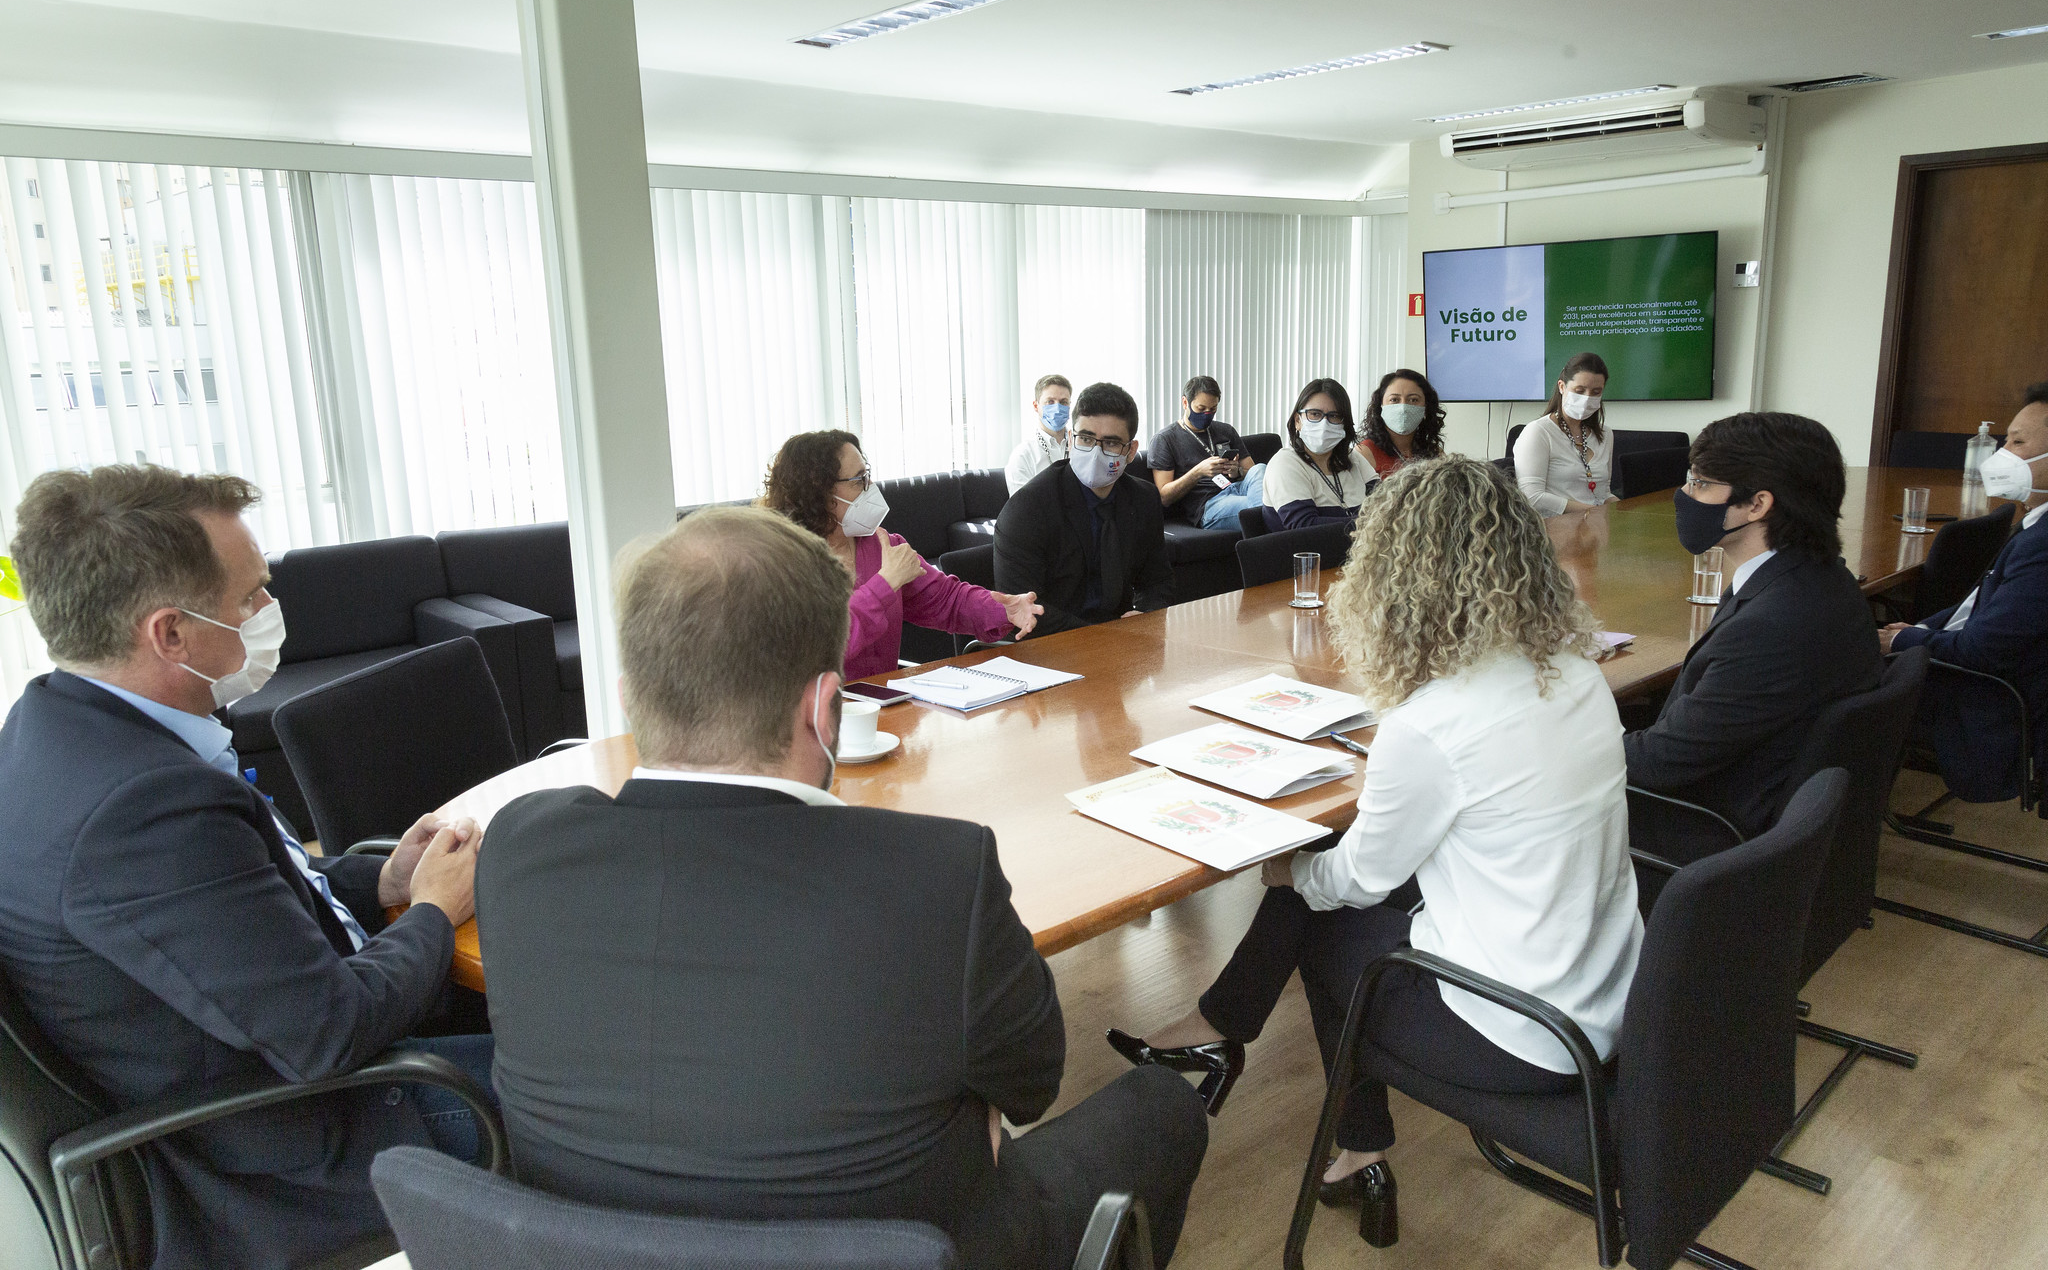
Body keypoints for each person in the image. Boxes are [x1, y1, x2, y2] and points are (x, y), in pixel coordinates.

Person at [475, 506, 1209, 1270]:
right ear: (826, 708)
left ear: (629, 696)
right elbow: (1030, 1082)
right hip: (932, 1246)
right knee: (1164, 1106)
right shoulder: (937, 877)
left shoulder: (518, 847)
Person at [1104, 456, 1641, 1248]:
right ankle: (1232, 1039)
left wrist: (1289, 868)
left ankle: (1350, 1136)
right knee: (1332, 896)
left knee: (1324, 923)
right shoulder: (1572, 670)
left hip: (1524, 1034)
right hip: (1610, 994)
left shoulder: (1431, 724)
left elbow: (1357, 881)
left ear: (1394, 574)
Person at [0, 465, 486, 1270]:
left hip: (252, 1078)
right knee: (604, 1097)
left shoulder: (53, 728)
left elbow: (240, 923)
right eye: (250, 596)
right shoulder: (144, 809)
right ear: (170, 633)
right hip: (292, 1151)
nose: (268, 613)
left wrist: (388, 885)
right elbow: (328, 1031)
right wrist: (433, 912)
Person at [1625, 412, 1883, 862]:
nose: (1684, 496)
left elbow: (1658, 764)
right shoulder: (1823, 578)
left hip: (1706, 831)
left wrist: (1568, 734)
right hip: (1759, 795)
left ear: (1758, 504)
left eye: (1701, 484)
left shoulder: (1770, 626)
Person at [1880, 384, 2048, 802]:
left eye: (2018, 442)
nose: (2002, 453)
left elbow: (1982, 651)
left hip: (1987, 702)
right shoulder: (2032, 523)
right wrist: (1916, 628)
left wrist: (1903, 639)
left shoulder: (2043, 545)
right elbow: (1976, 607)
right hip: (1978, 667)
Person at [763, 430, 1041, 679]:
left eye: (868, 475)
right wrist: (885, 584)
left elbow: (946, 599)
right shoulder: (781, 564)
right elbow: (820, 646)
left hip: (883, 708)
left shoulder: (883, 545)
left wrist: (1002, 609)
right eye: (859, 480)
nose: (871, 487)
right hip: (811, 721)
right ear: (819, 492)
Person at [994, 382, 1175, 636]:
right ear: (1071, 438)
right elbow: (1027, 611)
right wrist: (1107, 637)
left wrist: (1145, 614)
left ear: (1131, 451)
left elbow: (1158, 581)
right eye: (1086, 439)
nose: (1095, 453)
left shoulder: (1143, 499)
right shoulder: (1028, 509)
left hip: (1123, 646)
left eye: (1111, 443)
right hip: (1052, 645)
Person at [1146, 375, 1266, 530]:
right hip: (1209, 504)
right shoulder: (1165, 439)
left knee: (1260, 468)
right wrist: (1198, 472)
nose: (1207, 414)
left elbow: (1251, 471)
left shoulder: (1226, 431)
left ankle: (1267, 518)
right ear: (1185, 403)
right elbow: (1164, 497)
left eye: (1213, 409)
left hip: (1237, 488)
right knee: (1261, 507)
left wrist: (1237, 472)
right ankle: (1270, 518)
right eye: (1201, 409)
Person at [1263, 378, 1376, 531]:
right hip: (1306, 553)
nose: (1324, 424)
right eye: (1315, 414)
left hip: (1363, 551)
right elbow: (1304, 526)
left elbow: (1388, 505)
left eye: (1334, 416)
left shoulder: (1353, 458)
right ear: (1298, 420)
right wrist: (1371, 524)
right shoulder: (1285, 463)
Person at [1515, 353, 1615, 516]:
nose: (1587, 398)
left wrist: (1629, 510)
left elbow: (1603, 494)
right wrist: (1592, 511)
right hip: (1554, 528)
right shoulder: (1539, 432)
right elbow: (1532, 497)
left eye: (1596, 392)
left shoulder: (1605, 434)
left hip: (1595, 527)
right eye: (1579, 390)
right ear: (1562, 387)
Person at [1356, 369, 1446, 476]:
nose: (1403, 408)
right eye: (1394, 400)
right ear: (1380, 406)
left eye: (1413, 400)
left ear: (1426, 407)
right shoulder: (1364, 452)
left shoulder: (1435, 453)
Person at [1006, 373, 1073, 495]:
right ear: (1036, 406)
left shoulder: (1081, 446)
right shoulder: (1023, 455)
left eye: (1063, 402)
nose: (1057, 408)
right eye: (1050, 402)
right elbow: (1021, 507)